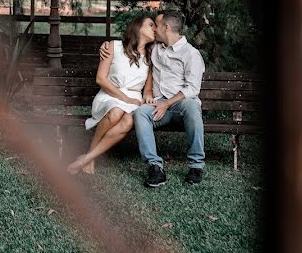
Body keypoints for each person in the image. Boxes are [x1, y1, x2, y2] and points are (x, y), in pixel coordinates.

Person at [99, 10, 206, 187]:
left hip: (181, 106)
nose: (154, 29)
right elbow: (131, 44)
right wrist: (105, 45)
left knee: (193, 107)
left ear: (166, 27)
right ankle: (155, 166)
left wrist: (167, 103)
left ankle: (196, 165)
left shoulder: (191, 54)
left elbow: (192, 88)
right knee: (141, 112)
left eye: (156, 25)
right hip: (158, 105)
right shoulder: (155, 49)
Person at [67, 15, 156, 175]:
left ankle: (87, 158)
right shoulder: (113, 47)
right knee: (116, 111)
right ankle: (90, 157)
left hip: (134, 100)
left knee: (128, 121)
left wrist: (147, 96)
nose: (154, 28)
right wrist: (125, 98)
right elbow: (100, 78)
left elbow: (148, 89)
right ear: (138, 27)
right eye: (151, 25)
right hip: (109, 95)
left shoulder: (150, 57)